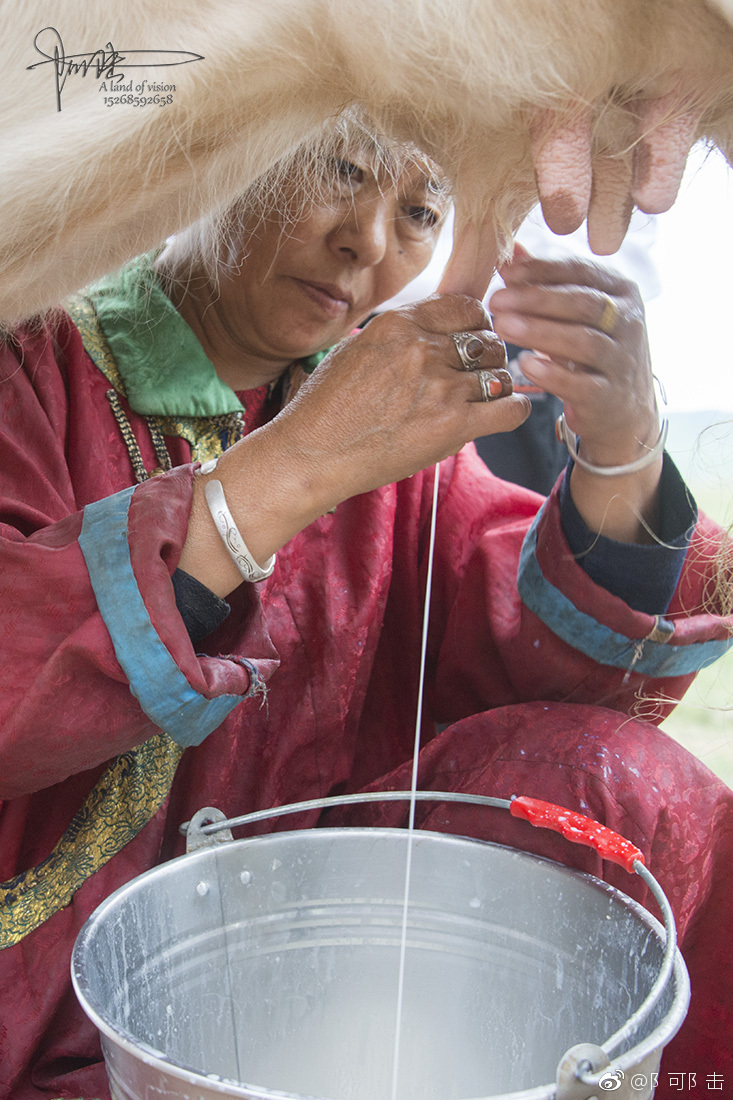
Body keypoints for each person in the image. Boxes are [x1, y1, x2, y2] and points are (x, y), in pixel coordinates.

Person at [0, 118, 731, 1099]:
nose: (371, 243)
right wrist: (298, 463)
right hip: (39, 1004)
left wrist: (623, 446)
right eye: (341, 171)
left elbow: (546, 674)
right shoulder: (34, 348)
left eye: (420, 210)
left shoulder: (391, 431)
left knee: (620, 782)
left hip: (301, 998)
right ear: (222, 143)